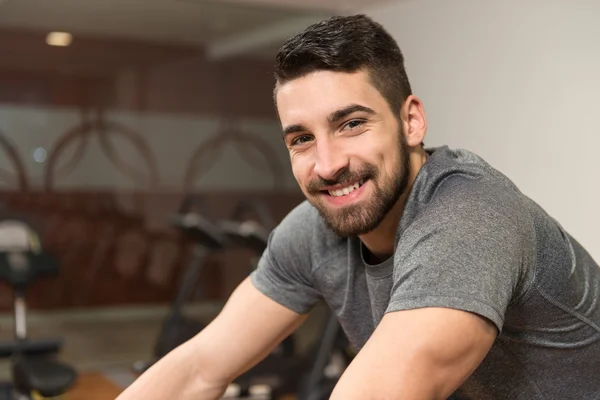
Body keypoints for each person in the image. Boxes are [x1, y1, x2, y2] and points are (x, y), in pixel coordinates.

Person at [117, 14, 600, 400]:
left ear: (411, 121)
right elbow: (200, 367)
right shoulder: (311, 231)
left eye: (351, 124)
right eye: (302, 139)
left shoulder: (470, 215)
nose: (327, 165)